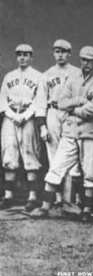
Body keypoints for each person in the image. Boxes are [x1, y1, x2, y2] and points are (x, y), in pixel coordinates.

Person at [30, 46, 93, 220]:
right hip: (71, 130)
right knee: (56, 166)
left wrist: (74, 110)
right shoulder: (73, 78)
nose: (86, 63)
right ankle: (45, 206)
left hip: (90, 132)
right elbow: (61, 102)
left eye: (89, 60)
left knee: (90, 171)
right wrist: (79, 101)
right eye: (83, 60)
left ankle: (87, 210)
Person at [0, 44, 47, 211]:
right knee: (9, 153)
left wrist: (25, 115)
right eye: (19, 54)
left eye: (26, 55)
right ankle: (8, 196)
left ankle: (32, 197)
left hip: (29, 118)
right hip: (10, 117)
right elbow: (2, 100)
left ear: (31, 57)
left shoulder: (38, 76)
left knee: (30, 153)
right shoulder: (9, 76)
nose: (22, 57)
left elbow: (40, 101)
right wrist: (12, 115)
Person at [43, 39, 82, 206]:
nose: (60, 54)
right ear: (53, 53)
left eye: (64, 51)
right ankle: (59, 199)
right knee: (54, 156)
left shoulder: (77, 72)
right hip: (52, 111)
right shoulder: (47, 74)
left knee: (74, 157)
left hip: (71, 114)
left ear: (69, 54)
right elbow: (41, 101)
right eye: (57, 51)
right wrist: (42, 125)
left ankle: (73, 199)